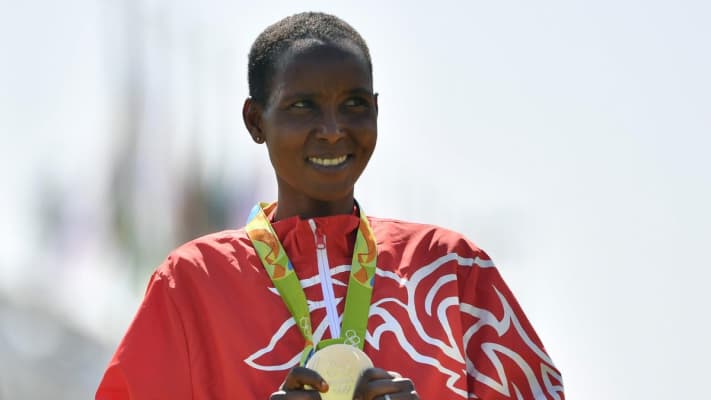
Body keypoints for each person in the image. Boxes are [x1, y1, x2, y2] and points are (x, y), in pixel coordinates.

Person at [96, 12, 564, 400]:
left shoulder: (451, 270)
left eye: (354, 104)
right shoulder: (192, 283)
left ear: (376, 111)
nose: (334, 130)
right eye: (303, 106)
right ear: (255, 121)